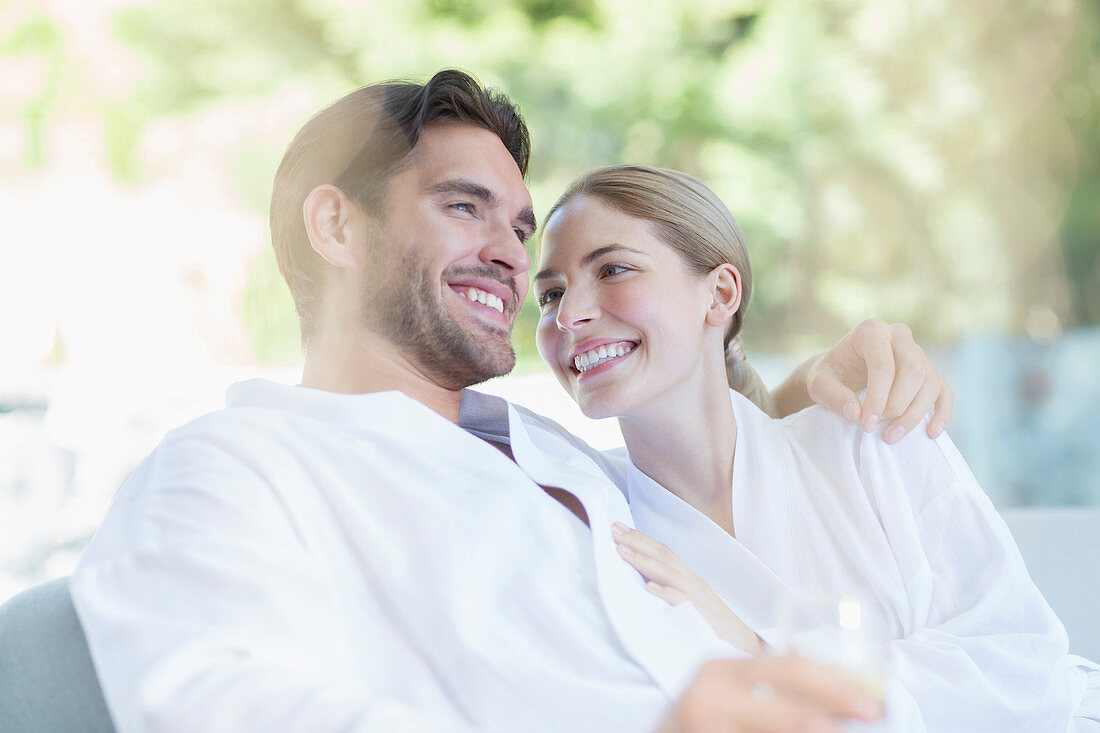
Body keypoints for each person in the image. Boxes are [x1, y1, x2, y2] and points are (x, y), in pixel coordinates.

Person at [71, 70, 949, 732]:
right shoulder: (235, 467)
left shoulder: (553, 458)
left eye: (520, 228)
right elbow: (226, 705)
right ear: (337, 225)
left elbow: (711, 455)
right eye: (466, 206)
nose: (512, 256)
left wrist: (807, 385)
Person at [532, 164, 1100, 731]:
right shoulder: (596, 523)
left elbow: (1026, 669)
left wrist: (761, 658)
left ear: (720, 293)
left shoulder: (872, 440)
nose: (569, 315)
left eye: (613, 269)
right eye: (550, 294)